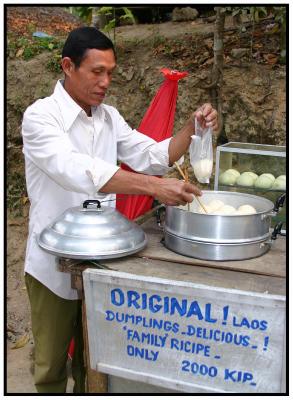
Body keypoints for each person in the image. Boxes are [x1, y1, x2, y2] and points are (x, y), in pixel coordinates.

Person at [21, 27, 218, 393]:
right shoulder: (40, 118)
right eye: (97, 71)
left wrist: (193, 126)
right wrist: (154, 187)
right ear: (68, 66)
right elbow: (75, 168)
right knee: (50, 365)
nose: (105, 81)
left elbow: (154, 156)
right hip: (53, 261)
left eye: (110, 72)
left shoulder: (108, 117)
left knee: (96, 361)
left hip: (105, 257)